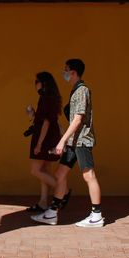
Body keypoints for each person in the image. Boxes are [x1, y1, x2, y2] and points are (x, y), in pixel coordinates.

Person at [32, 58, 103, 228]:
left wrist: (61, 142)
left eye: (66, 70)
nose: (64, 73)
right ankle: (52, 213)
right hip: (73, 141)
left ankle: (97, 215)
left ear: (73, 72)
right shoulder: (75, 90)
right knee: (60, 175)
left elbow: (78, 119)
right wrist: (65, 139)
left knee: (88, 175)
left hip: (82, 141)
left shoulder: (81, 90)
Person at [25, 71, 62, 212]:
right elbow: (43, 120)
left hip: (44, 138)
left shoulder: (46, 98)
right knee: (45, 170)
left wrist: (39, 144)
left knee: (35, 170)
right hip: (49, 136)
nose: (35, 84)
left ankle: (62, 191)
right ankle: (43, 203)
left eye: (37, 81)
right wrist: (32, 115)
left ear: (44, 83)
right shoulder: (48, 98)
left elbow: (46, 123)